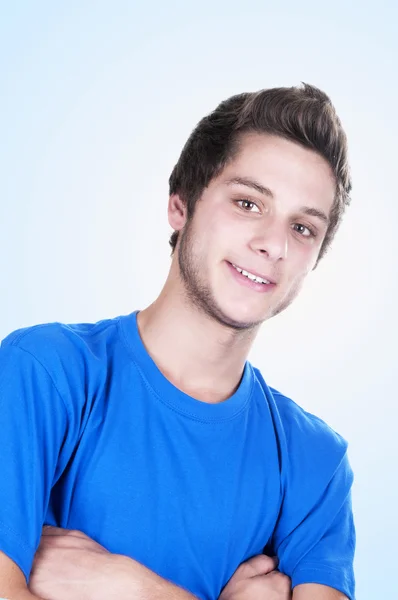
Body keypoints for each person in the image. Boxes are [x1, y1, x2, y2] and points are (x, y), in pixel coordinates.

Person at [0, 83, 356, 600]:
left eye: (303, 228)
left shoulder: (315, 462)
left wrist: (130, 586)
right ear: (181, 205)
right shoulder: (43, 375)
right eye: (248, 203)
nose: (273, 244)